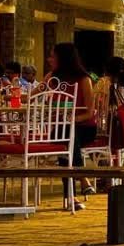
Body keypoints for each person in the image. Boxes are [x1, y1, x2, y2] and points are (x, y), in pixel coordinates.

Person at [48, 43, 97, 210]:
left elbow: (90, 112)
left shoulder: (84, 80)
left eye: (52, 56)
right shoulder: (51, 78)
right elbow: (32, 96)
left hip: (85, 127)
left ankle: (72, 195)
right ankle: (80, 179)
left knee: (67, 138)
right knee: (67, 140)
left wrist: (72, 119)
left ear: (62, 59)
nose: (49, 59)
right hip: (62, 130)